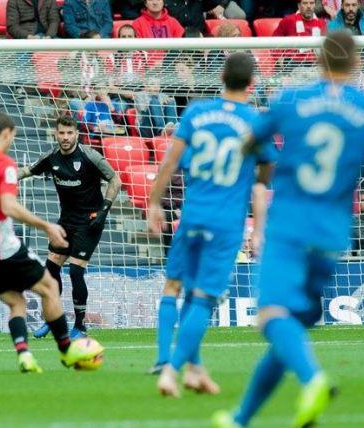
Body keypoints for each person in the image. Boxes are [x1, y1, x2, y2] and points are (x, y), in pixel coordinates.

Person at [211, 32, 364, 428]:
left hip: (289, 228)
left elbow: (249, 143)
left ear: (319, 61)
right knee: (290, 328)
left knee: (269, 316)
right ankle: (240, 418)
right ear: (356, 65)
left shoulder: (291, 101)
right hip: (333, 234)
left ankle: (313, 379)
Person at [147, 53, 275, 392]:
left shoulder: (197, 112)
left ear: (221, 77)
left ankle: (193, 369)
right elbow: (262, 185)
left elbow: (170, 161)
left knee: (177, 287)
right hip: (226, 224)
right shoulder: (256, 123)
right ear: (252, 84)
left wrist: (154, 202)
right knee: (203, 297)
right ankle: (171, 371)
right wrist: (258, 231)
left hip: (191, 217)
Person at [0, 112, 98, 373]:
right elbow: (9, 206)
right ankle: (67, 350)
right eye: (13, 136)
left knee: (16, 303)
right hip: (4, 249)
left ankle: (24, 354)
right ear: (6, 133)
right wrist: (46, 225)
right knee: (49, 287)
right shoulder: (5, 165)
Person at [18, 116, 122, 339]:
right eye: (61, 133)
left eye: (69, 133)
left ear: (76, 134)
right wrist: (2, 176)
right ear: (56, 134)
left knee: (75, 271)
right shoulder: (51, 157)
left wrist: (104, 210)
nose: (65, 138)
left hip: (90, 221)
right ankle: (53, 320)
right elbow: (26, 171)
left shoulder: (90, 156)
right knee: (51, 270)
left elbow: (115, 179)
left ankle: (80, 326)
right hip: (66, 222)